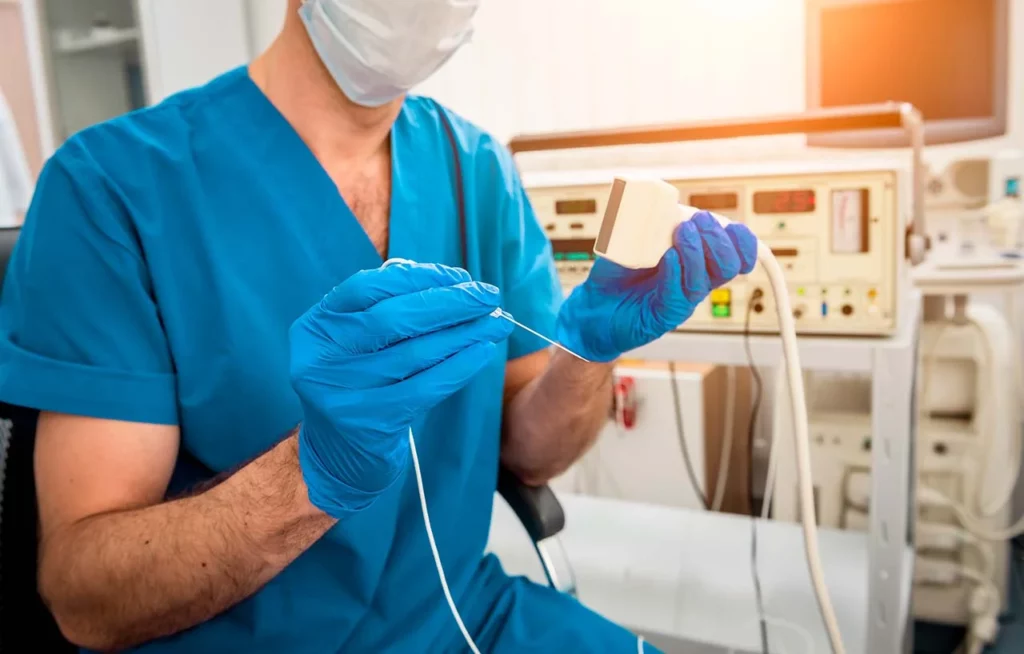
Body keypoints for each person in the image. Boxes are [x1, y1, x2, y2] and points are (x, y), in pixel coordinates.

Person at [0, 0, 757, 652]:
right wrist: (312, 473)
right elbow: (84, 595)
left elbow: (529, 452)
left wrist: (588, 350)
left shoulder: (475, 169)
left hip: (463, 618)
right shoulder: (114, 190)